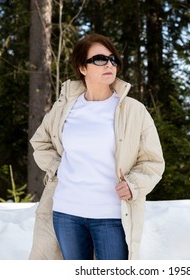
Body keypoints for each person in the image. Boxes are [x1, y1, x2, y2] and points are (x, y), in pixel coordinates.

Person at [28, 34, 165, 260]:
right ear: (83, 68)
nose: (109, 64)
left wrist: (134, 185)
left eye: (113, 59)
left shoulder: (133, 110)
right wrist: (58, 167)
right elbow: (40, 142)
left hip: (111, 216)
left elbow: (152, 161)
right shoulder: (65, 107)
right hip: (66, 213)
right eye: (100, 59)